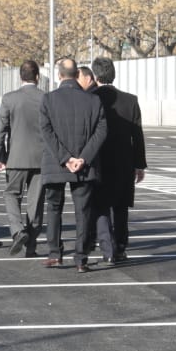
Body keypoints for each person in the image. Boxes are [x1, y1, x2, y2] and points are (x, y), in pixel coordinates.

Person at [37, 57, 107, 272]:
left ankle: (55, 253)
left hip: (56, 163)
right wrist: (83, 157)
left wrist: (65, 158)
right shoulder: (93, 101)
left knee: (54, 207)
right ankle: (81, 258)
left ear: (59, 75)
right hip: (85, 165)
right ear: (78, 75)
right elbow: (101, 131)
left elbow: (46, 131)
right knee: (83, 211)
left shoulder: (48, 100)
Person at [91, 56, 148, 264]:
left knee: (101, 205)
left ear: (95, 76)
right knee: (121, 206)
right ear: (113, 74)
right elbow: (137, 134)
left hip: (98, 160)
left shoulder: (91, 97)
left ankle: (107, 248)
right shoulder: (130, 100)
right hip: (124, 160)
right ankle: (121, 246)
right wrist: (139, 165)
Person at [0, 60, 46, 257]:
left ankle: (17, 230)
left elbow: (0, 130)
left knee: (11, 194)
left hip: (16, 157)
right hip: (41, 159)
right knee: (36, 201)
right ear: (37, 77)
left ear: (20, 76)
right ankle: (31, 246)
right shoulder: (46, 98)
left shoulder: (9, 98)